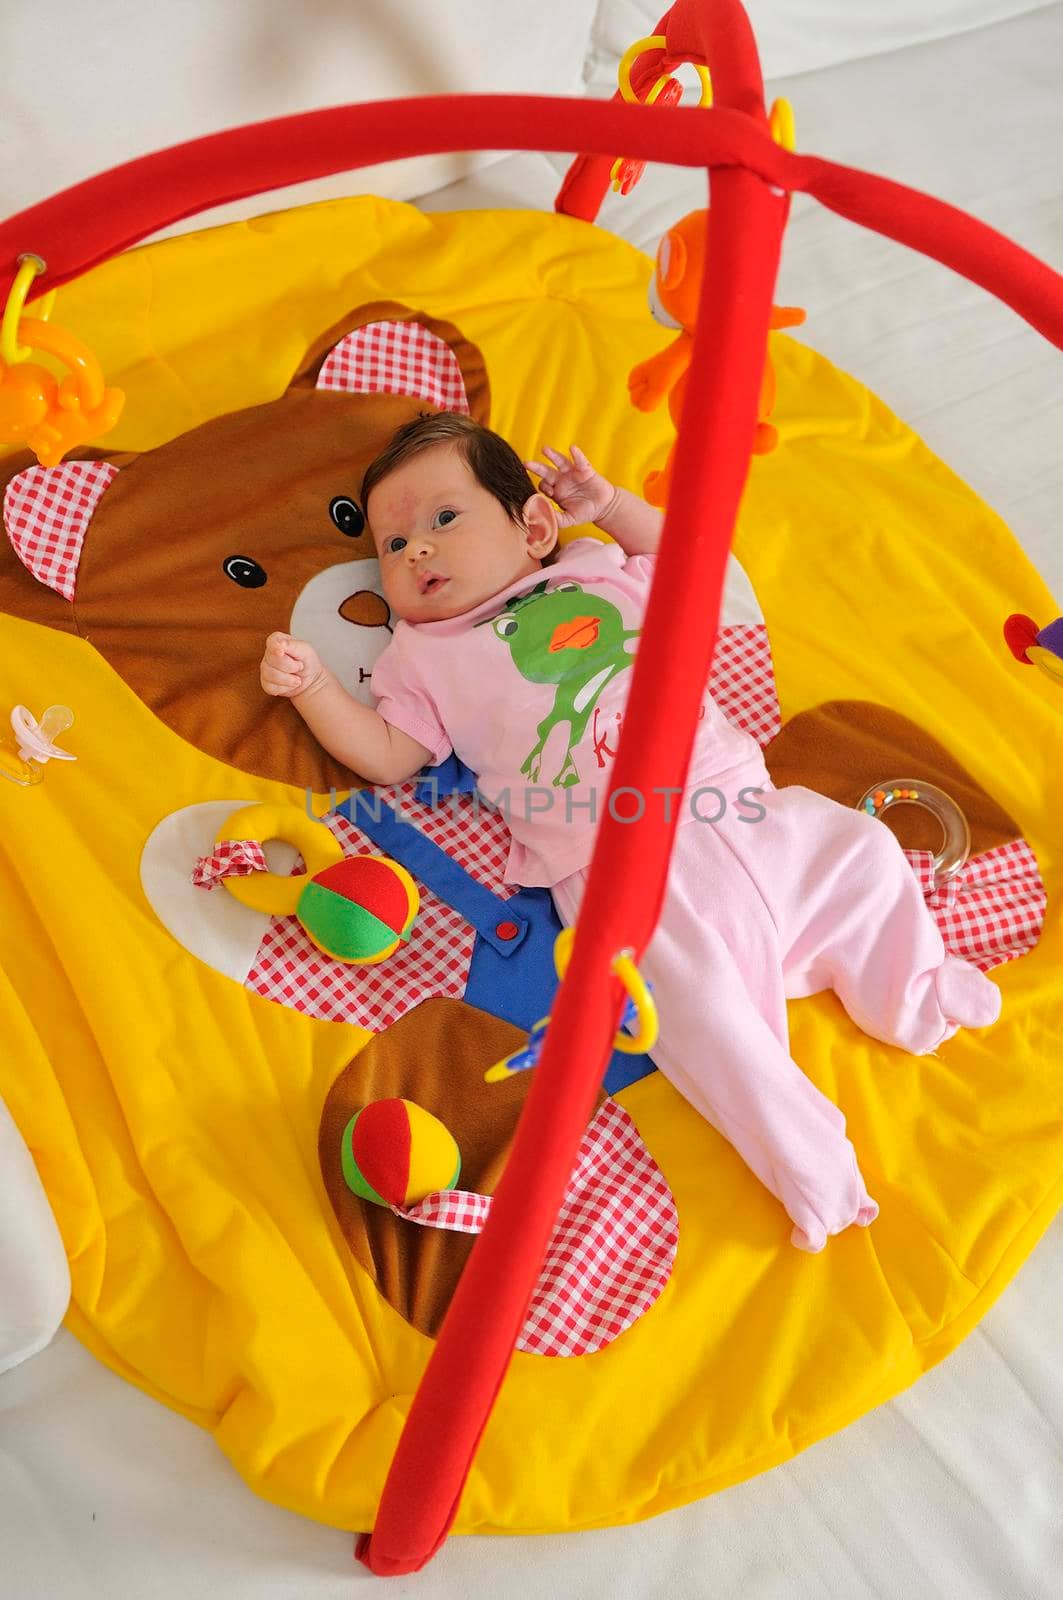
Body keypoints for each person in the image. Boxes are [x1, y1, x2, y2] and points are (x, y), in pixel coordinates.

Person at [260, 412, 1001, 1251]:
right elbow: (389, 757)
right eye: (392, 546)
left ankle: (913, 990)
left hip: (738, 804)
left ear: (533, 525)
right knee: (702, 1020)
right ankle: (811, 1167)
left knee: (859, 852)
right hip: (617, 865)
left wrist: (608, 505)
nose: (416, 551)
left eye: (442, 519)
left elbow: (698, 565)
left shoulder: (595, 570)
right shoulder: (419, 658)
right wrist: (315, 687)